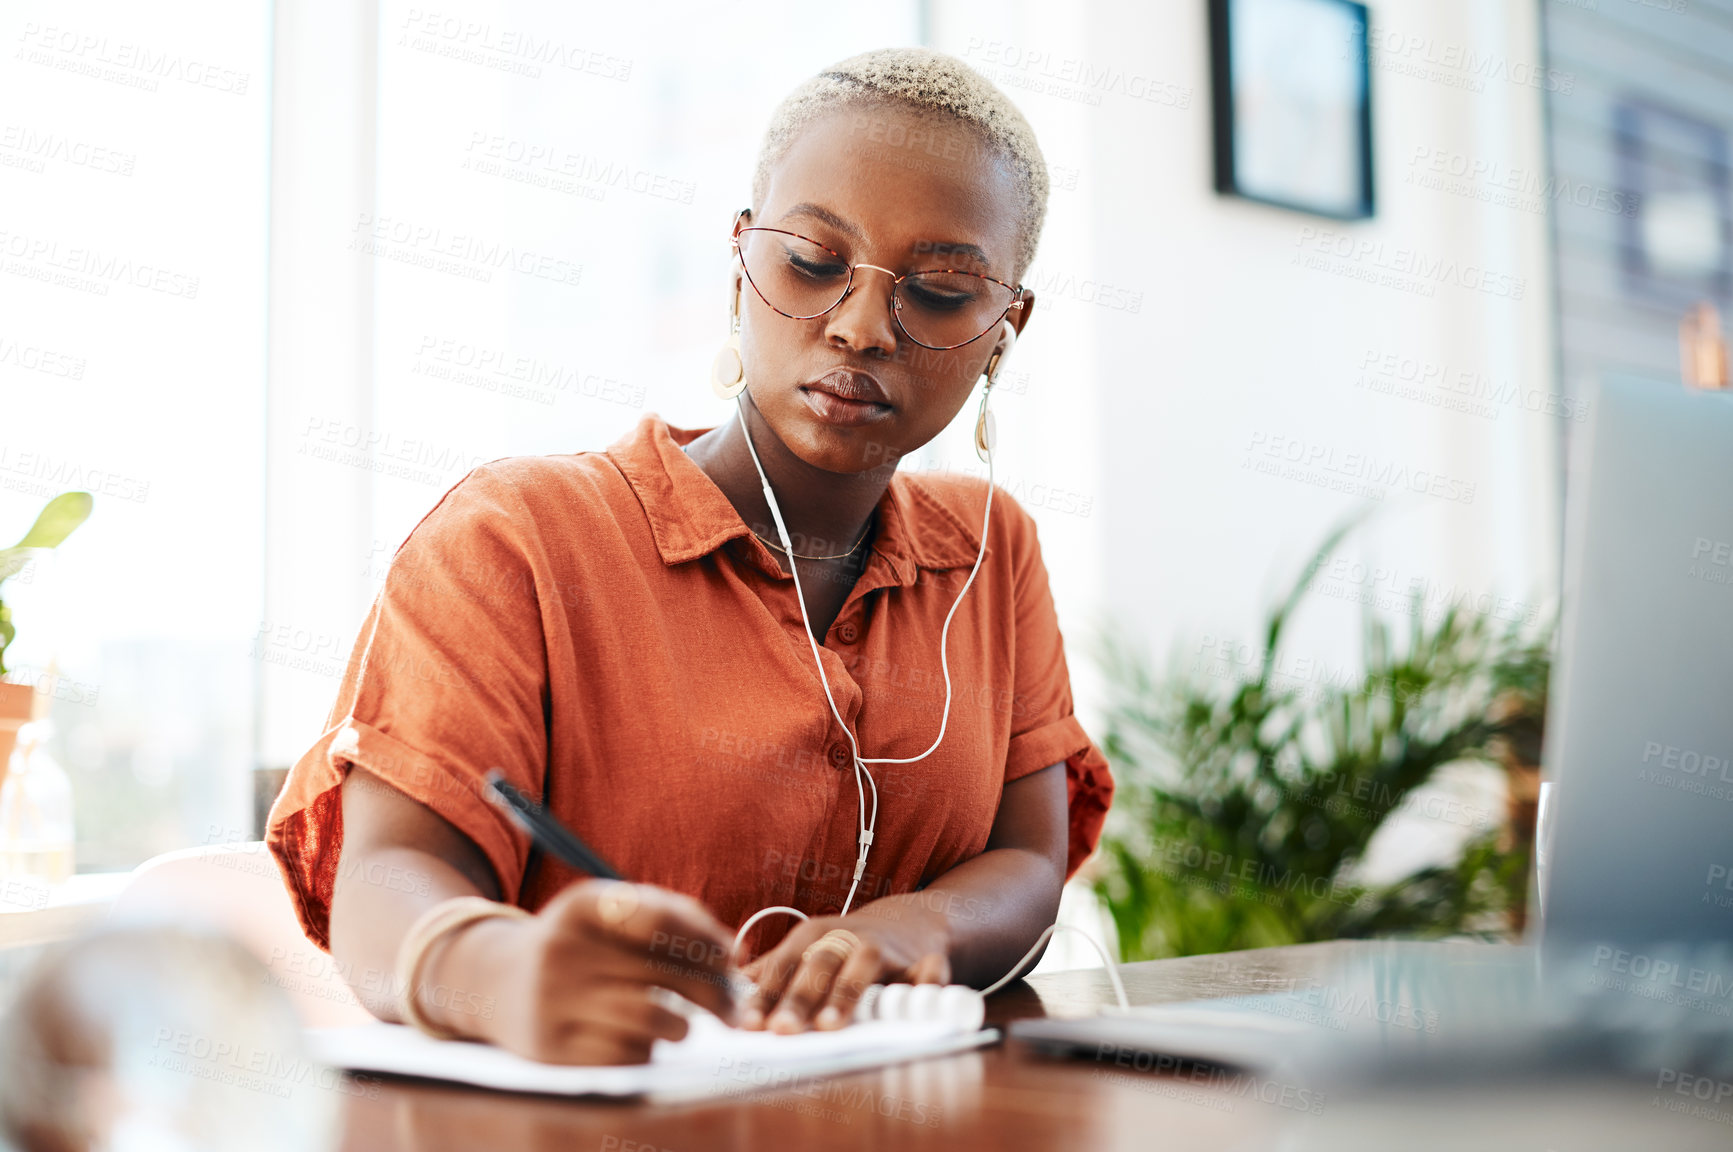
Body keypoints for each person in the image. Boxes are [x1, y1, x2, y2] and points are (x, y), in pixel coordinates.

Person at [267, 46, 1113, 1066]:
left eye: (936, 291)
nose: (858, 327)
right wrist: (495, 970)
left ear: (1004, 328)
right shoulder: (515, 537)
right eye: (811, 260)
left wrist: (912, 927)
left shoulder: (988, 549)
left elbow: (1029, 856)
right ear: (741, 257)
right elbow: (385, 878)